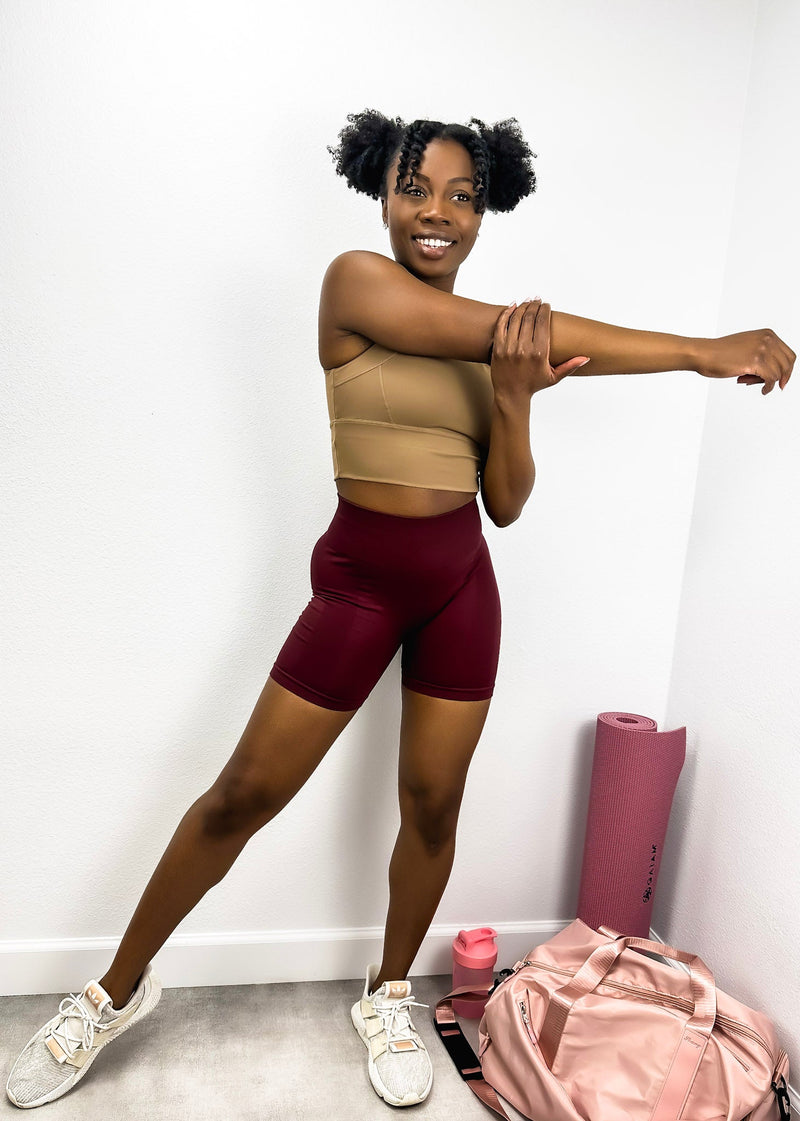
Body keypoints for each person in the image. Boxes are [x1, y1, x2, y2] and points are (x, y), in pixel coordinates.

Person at [6, 109, 794, 1112]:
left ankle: (384, 994)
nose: (436, 213)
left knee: (431, 804)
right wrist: (699, 349)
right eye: (414, 189)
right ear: (380, 196)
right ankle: (110, 993)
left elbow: (504, 502)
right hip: (359, 583)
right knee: (242, 794)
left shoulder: (492, 347)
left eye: (462, 197)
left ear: (483, 214)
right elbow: (527, 329)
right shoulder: (356, 285)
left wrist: (513, 396)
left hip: (460, 586)